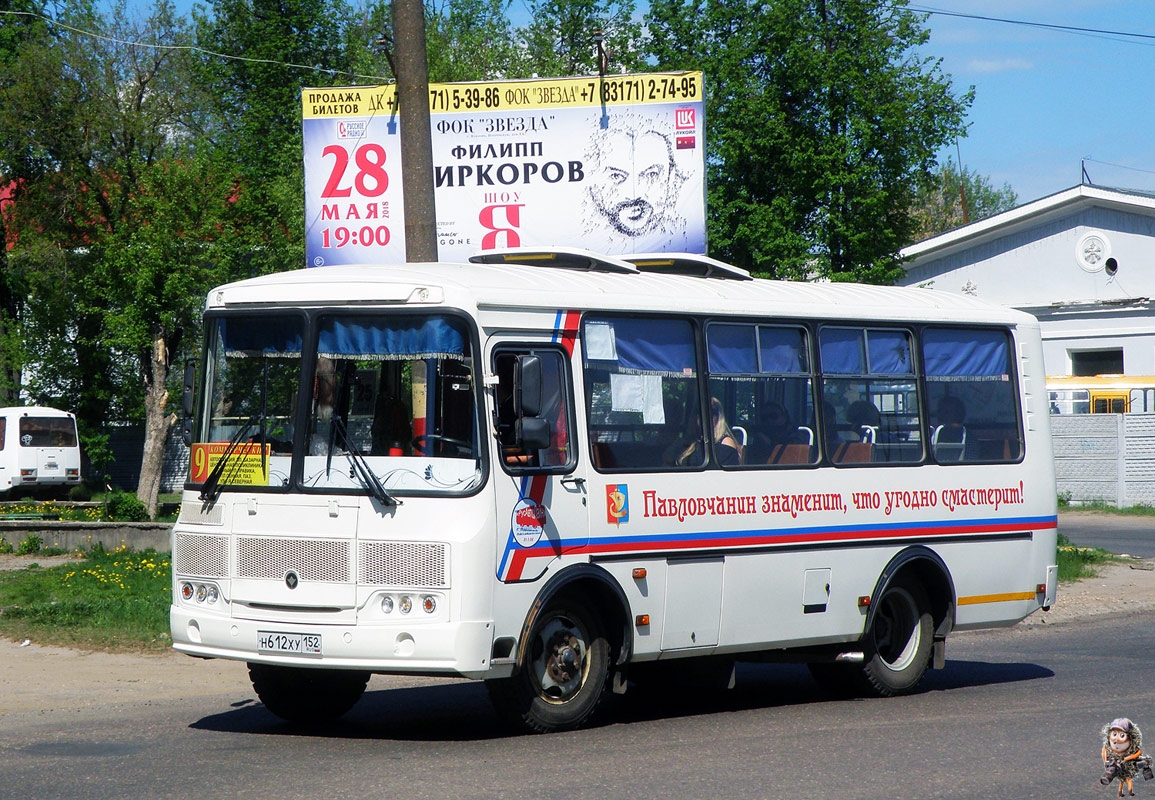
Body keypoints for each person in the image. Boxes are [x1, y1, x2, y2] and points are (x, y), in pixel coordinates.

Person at [669, 397, 742, 466]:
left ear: (719, 416)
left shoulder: (726, 443)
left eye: (712, 412)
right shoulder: (692, 441)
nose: (705, 415)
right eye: (699, 411)